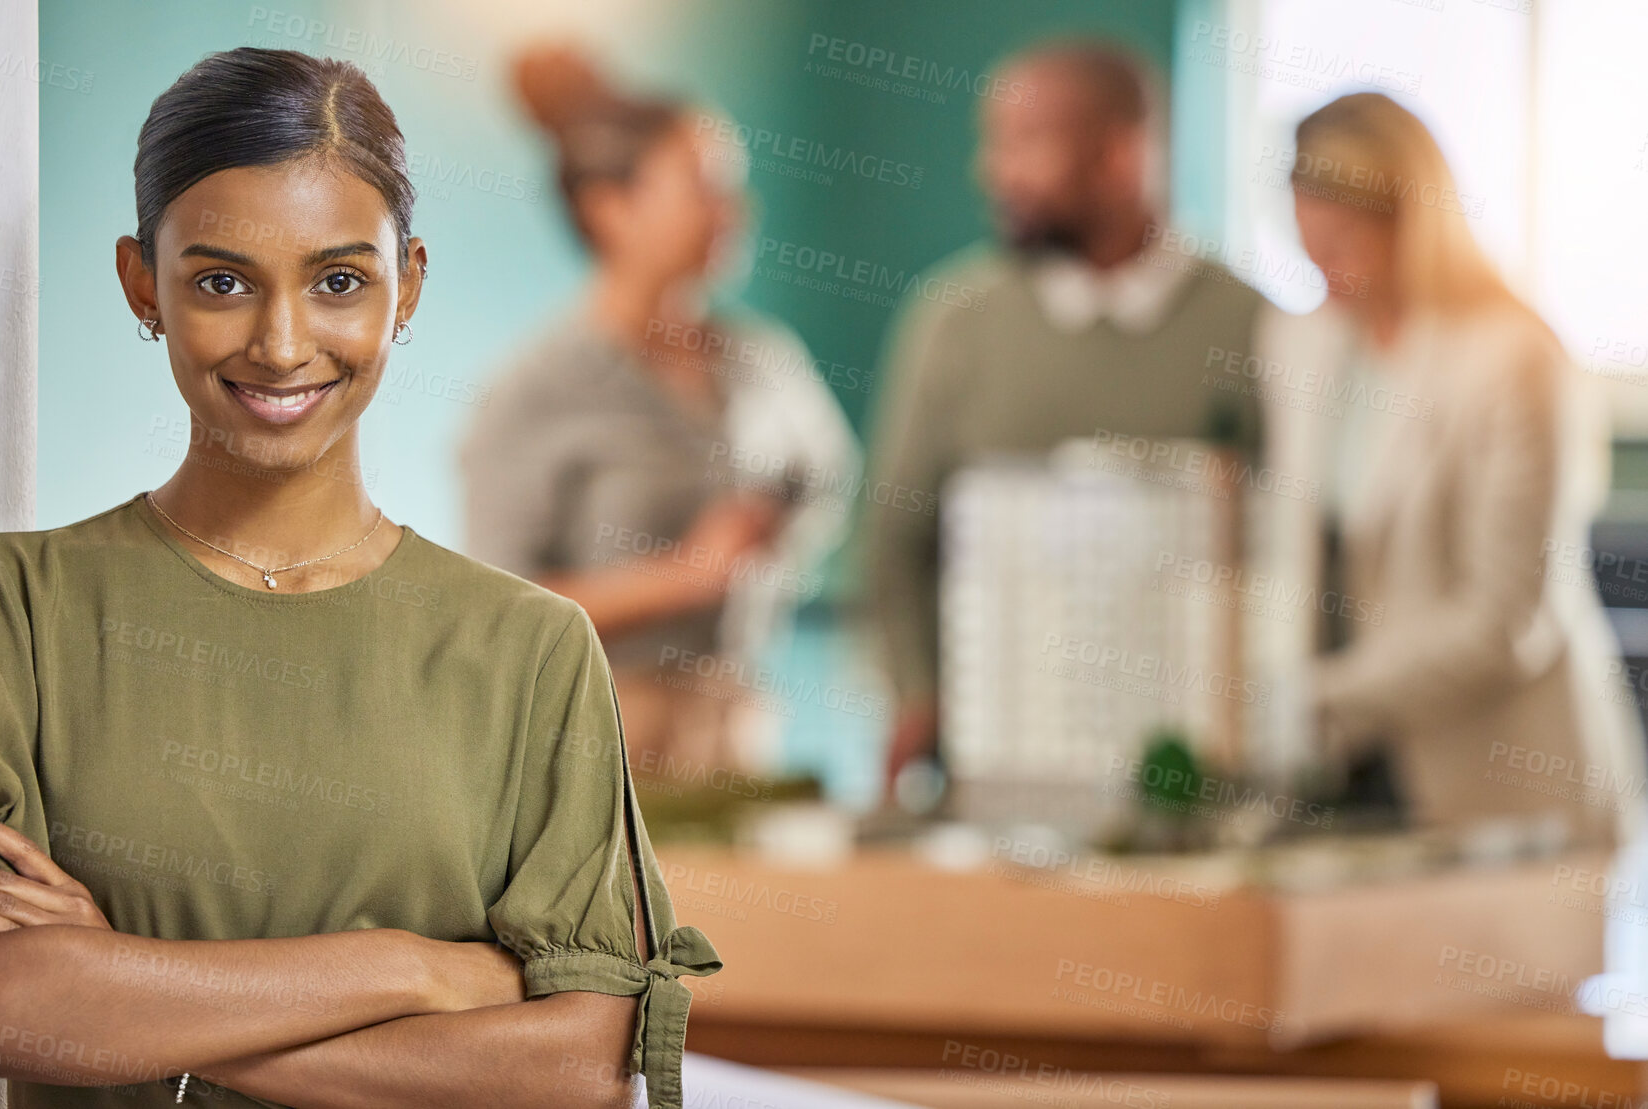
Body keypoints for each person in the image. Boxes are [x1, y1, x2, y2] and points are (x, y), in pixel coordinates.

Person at [0, 47, 718, 1109]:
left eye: (338, 281)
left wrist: (121, 996)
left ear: (406, 284)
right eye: (221, 281)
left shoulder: (531, 649)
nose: (280, 343)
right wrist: (411, 968)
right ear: (143, 284)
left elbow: (576, 1067)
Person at [863, 41, 1277, 801]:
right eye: (994, 142)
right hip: (1002, 764)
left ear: (1121, 156)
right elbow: (895, 534)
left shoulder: (1251, 326)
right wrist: (916, 694)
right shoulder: (955, 321)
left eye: (1026, 143)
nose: (993, 170)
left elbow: (1292, 552)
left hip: (1209, 776)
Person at [461, 45, 861, 785]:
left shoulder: (760, 360)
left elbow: (825, 476)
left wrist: (769, 536)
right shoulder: (535, 390)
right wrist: (684, 575)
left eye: (733, 190)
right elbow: (499, 606)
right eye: (703, 189)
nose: (731, 212)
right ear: (610, 209)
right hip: (596, 744)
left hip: (735, 726)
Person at [1271, 91, 1646, 846]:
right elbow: (1294, 542)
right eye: (1309, 244)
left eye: (1342, 244)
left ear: (1409, 220)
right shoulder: (1298, 340)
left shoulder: (1514, 358)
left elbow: (1506, 618)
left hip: (1501, 776)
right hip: (1336, 776)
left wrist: (1321, 698)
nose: (1325, 273)